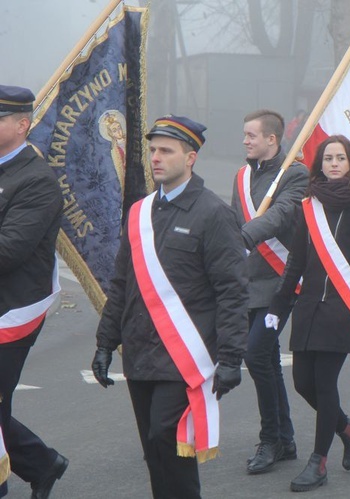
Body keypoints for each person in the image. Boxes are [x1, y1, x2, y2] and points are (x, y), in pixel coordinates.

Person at [92, 115, 250, 498]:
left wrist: (230, 357)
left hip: (185, 355)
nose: (156, 158)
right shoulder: (139, 213)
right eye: (152, 151)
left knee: (169, 437)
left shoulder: (213, 214)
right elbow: (121, 283)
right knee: (154, 448)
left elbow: (232, 291)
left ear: (190, 157)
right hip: (141, 350)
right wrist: (104, 342)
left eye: (166, 151)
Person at [267, 135, 350, 492]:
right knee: (303, 383)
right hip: (309, 309)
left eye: (340, 157)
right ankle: (349, 428)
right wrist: (278, 306)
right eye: (328, 158)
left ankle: (318, 463)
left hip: (341, 309)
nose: (334, 163)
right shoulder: (310, 206)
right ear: (319, 163)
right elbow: (296, 262)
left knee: (323, 383)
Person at [0, 85, 67, 499]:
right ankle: (42, 463)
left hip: (13, 309)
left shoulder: (37, 180)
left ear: (22, 125)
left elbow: (9, 251)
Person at [230, 109, 307, 474]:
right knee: (266, 360)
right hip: (249, 280)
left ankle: (270, 438)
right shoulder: (242, 177)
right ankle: (285, 439)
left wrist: (244, 235)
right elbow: (232, 220)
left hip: (282, 280)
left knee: (255, 353)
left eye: (251, 135)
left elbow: (280, 215)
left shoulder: (295, 174)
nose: (245, 141)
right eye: (245, 135)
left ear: (271, 139)